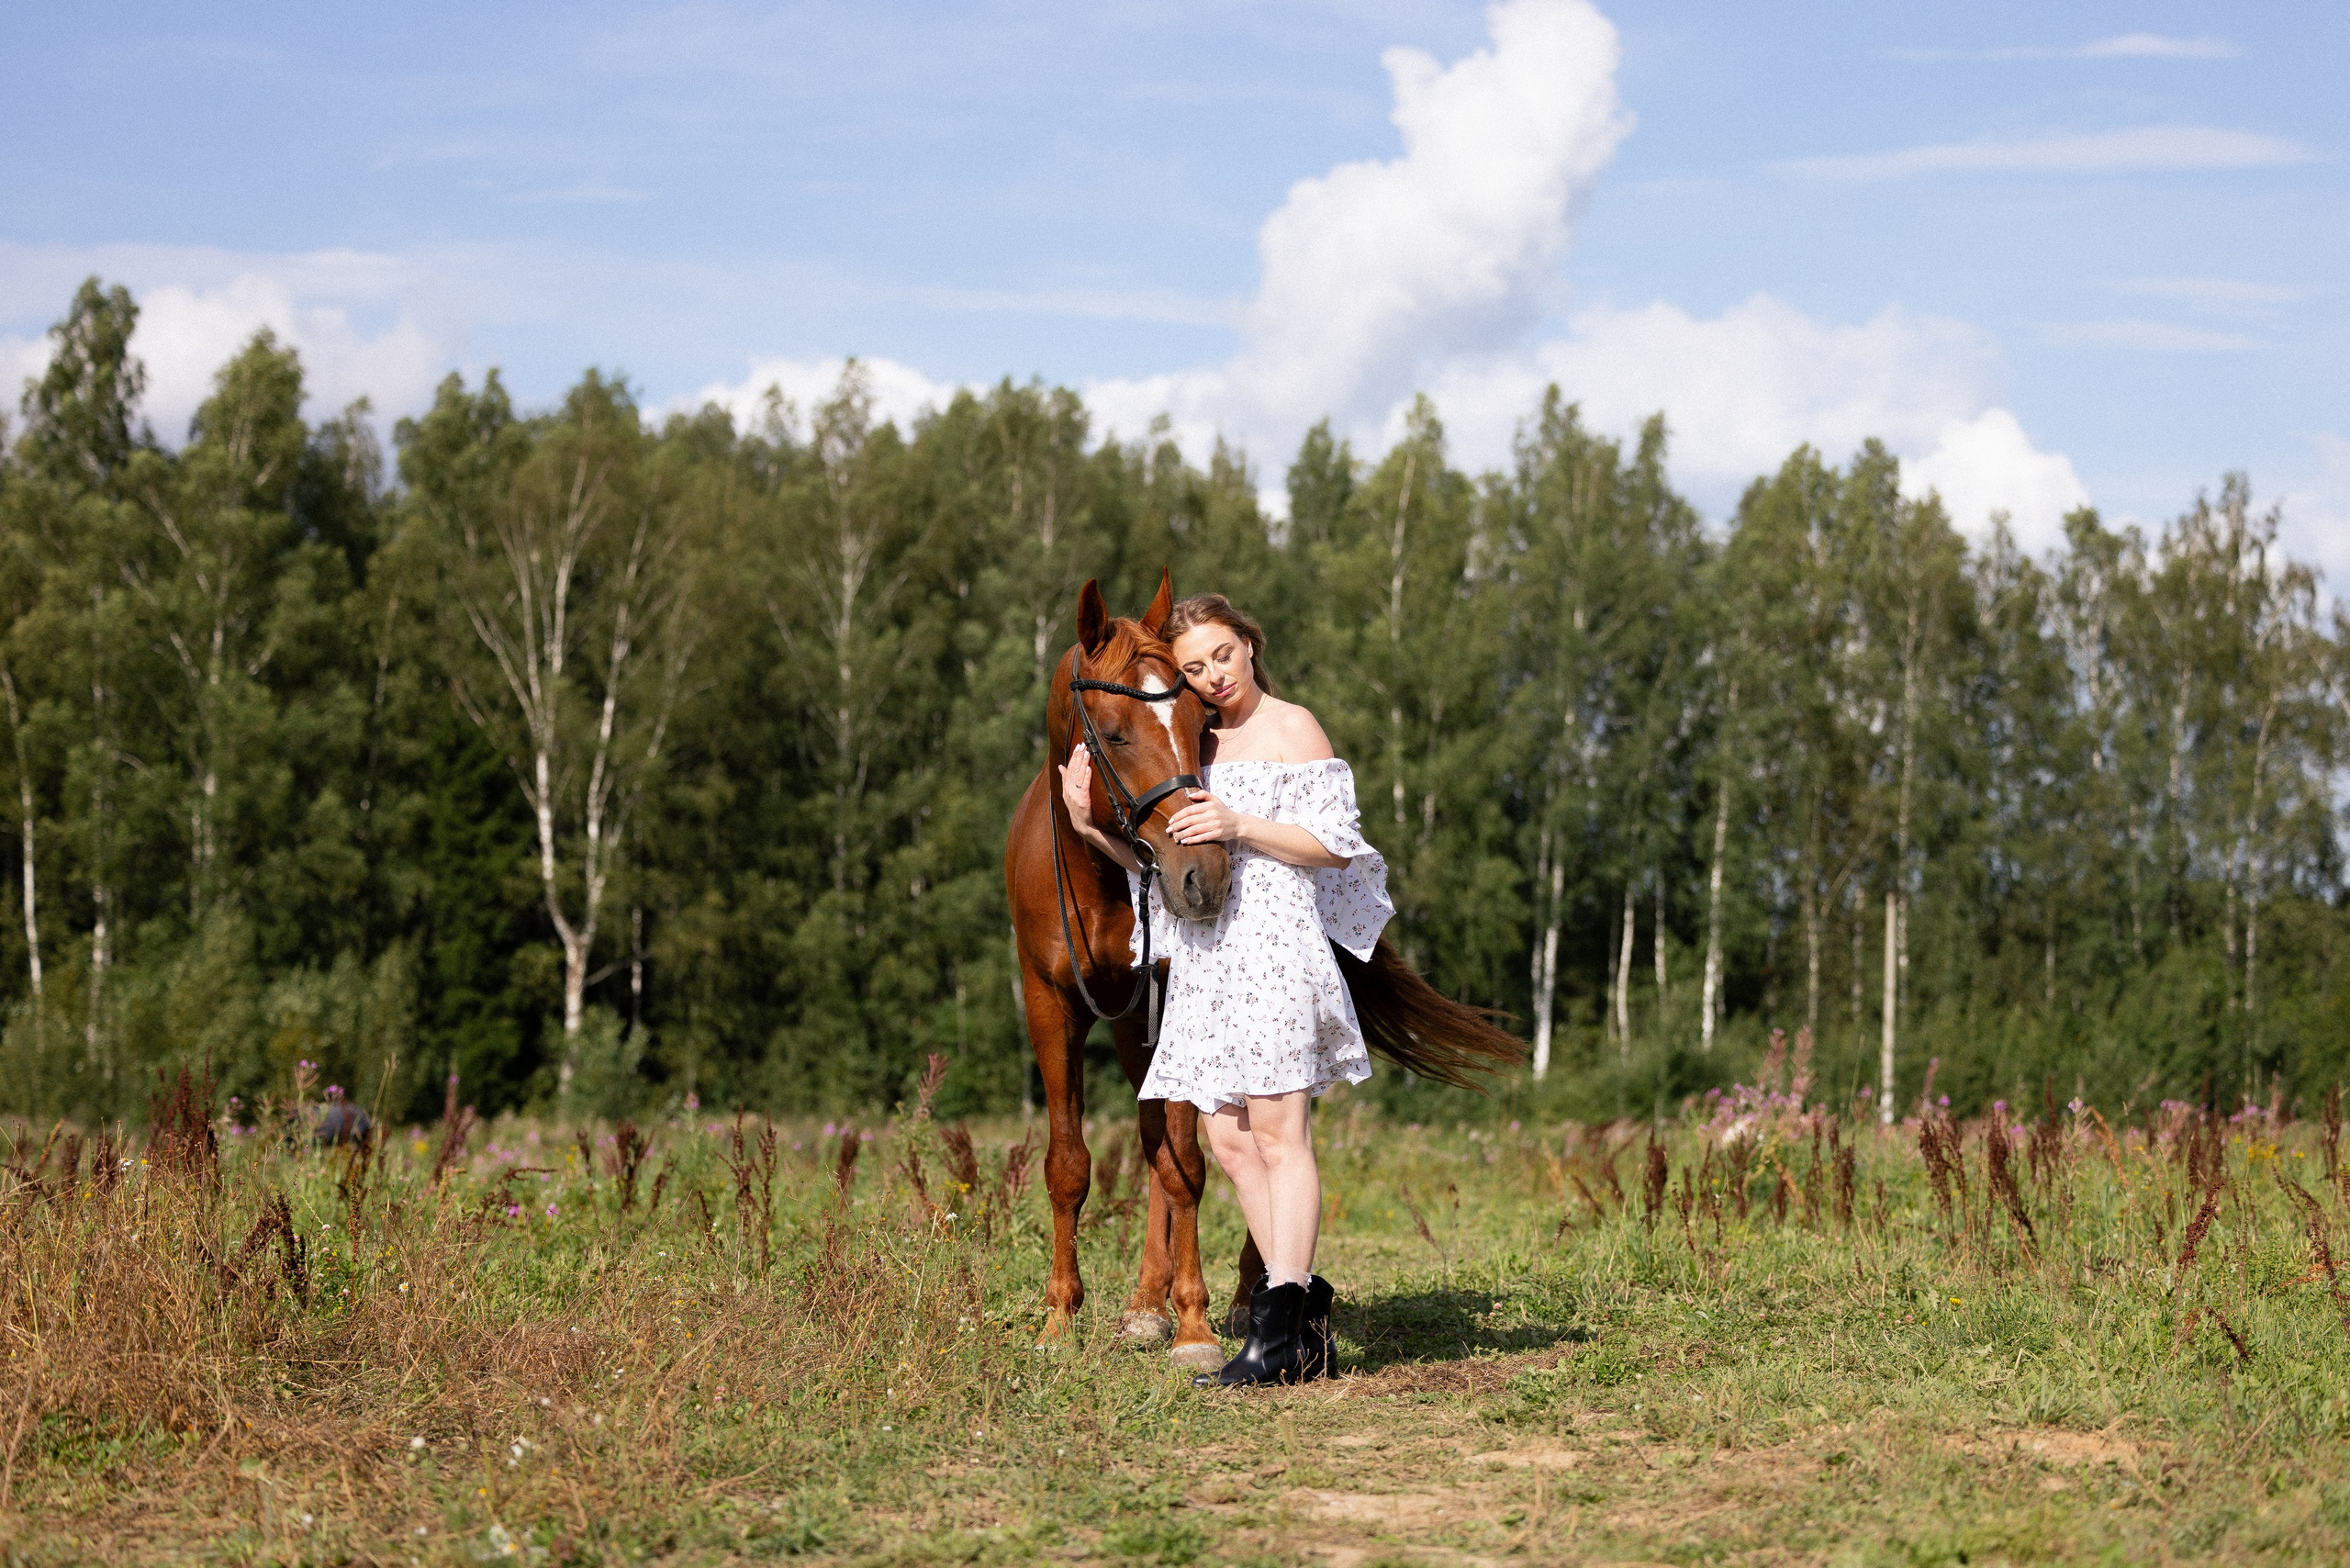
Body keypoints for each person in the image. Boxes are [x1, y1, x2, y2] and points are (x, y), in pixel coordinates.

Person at [1058, 592, 1393, 1387]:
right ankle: (1293, 1329)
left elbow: (1333, 848)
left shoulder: (1292, 726)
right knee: (1230, 1141)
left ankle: (1284, 1328)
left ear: (1250, 645)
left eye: (1223, 655)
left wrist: (1240, 824)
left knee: (1281, 1138)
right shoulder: (1195, 742)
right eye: (1195, 667)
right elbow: (1165, 858)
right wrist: (1088, 827)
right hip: (1209, 959)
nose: (1213, 676)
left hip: (1274, 946)